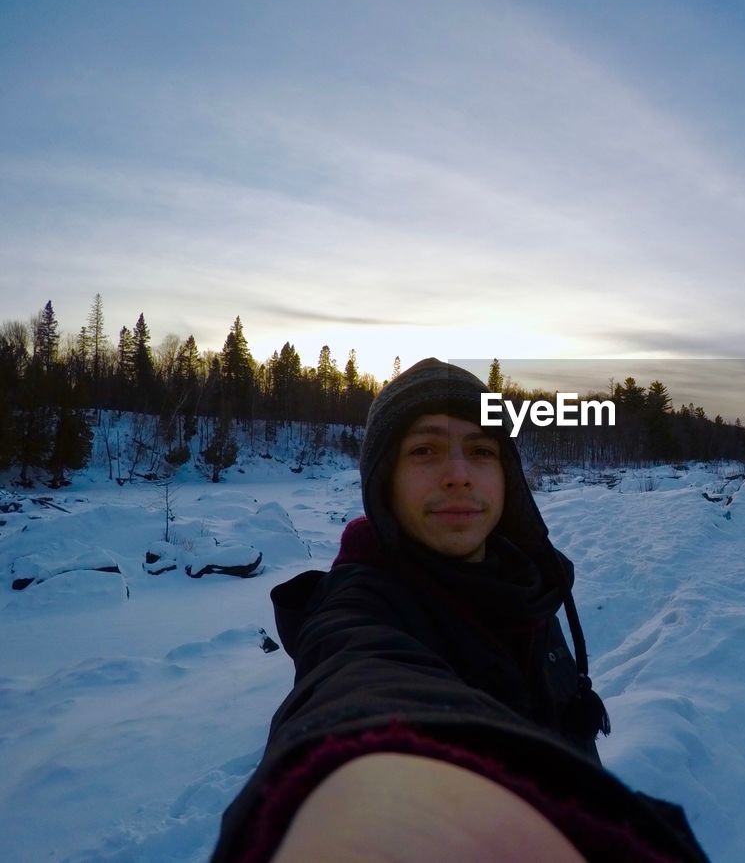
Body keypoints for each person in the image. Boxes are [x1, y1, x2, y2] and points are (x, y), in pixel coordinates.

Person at [213, 359, 707, 862]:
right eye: (424, 450)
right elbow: (358, 686)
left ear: (506, 474)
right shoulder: (360, 606)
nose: (458, 475)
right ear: (385, 478)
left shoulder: (523, 584)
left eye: (481, 451)